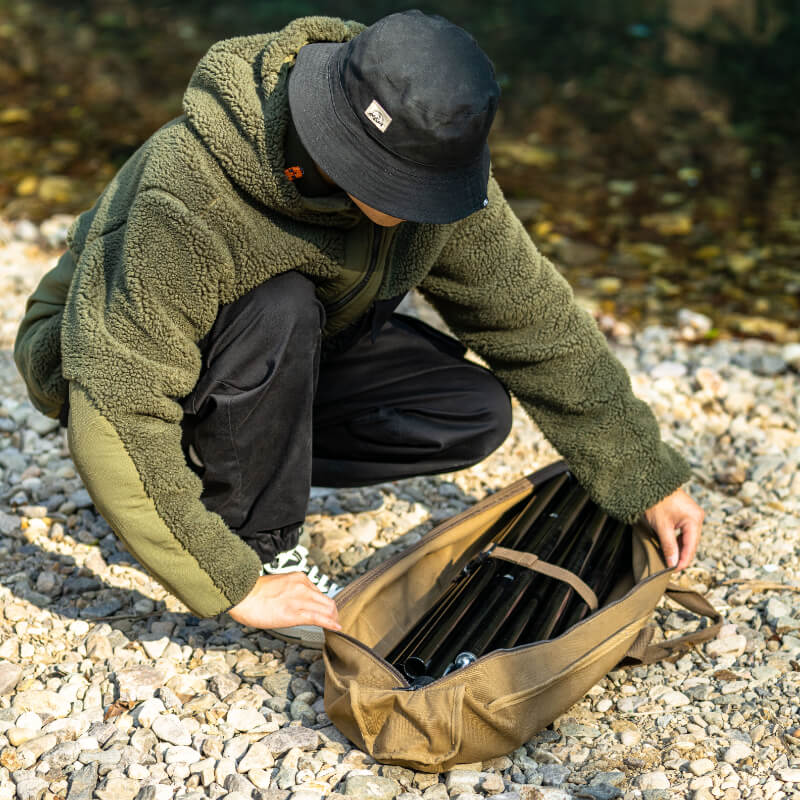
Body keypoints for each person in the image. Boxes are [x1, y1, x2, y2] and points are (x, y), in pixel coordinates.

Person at [14, 10, 703, 649]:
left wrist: (644, 476)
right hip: (103, 353)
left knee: (467, 411)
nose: (421, 209)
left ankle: (220, 461)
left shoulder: (432, 157)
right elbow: (116, 401)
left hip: (285, 349)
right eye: (402, 188)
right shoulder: (193, 188)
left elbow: (533, 317)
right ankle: (252, 534)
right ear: (339, 144)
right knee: (277, 305)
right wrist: (232, 583)